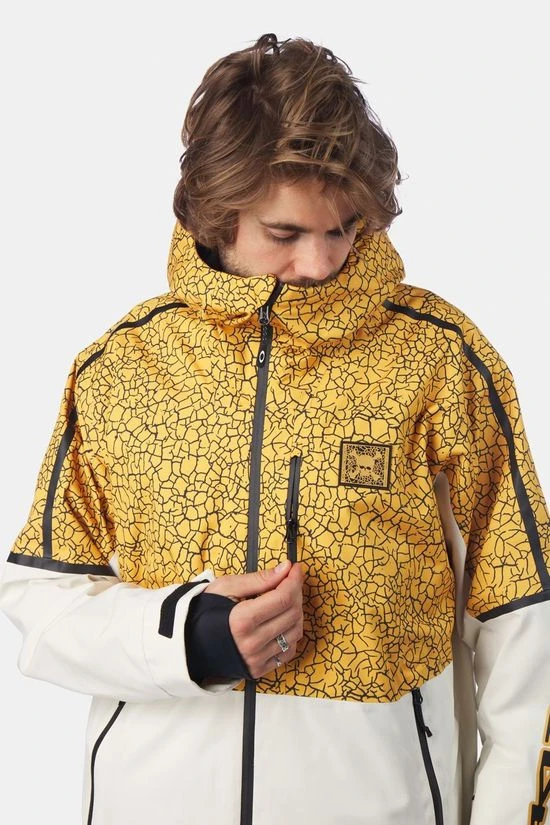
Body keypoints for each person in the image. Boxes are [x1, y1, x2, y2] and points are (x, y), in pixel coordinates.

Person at [0, 32, 548, 825]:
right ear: (218, 216)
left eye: (344, 227)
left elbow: (525, 623)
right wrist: (186, 637)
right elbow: (40, 602)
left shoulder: (439, 361)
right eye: (285, 235)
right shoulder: (121, 369)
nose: (321, 262)